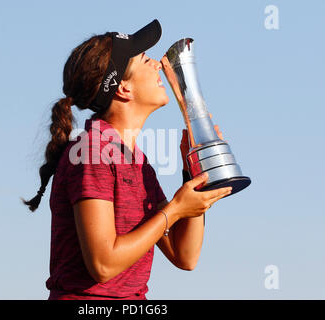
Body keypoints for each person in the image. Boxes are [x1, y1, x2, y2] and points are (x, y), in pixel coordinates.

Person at [22, 19, 232, 300]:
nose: (158, 64)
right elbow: (103, 264)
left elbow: (185, 255)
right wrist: (175, 210)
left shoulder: (137, 163)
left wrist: (194, 175)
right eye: (146, 59)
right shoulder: (91, 153)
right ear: (122, 88)